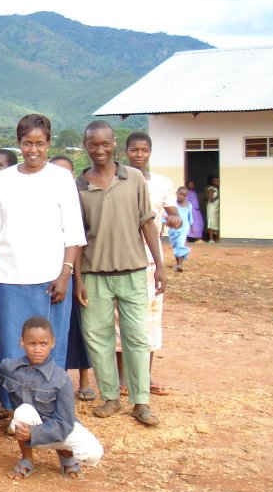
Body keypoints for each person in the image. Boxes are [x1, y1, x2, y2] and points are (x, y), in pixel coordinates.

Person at [0, 114, 85, 411]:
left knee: (46, 346)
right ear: (19, 143)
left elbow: (73, 232)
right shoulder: (6, 178)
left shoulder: (61, 178)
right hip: (8, 278)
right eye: (28, 143)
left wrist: (65, 273)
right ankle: (13, 408)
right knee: (11, 346)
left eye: (40, 143)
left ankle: (47, 406)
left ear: (49, 144)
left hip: (49, 279)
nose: (33, 150)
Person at [75, 120, 165, 427]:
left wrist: (160, 265)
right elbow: (75, 238)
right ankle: (111, 397)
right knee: (98, 338)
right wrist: (77, 279)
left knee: (136, 337)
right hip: (94, 274)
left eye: (105, 144)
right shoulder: (79, 185)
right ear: (85, 145)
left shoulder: (134, 178)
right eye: (92, 144)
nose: (99, 150)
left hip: (133, 271)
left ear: (115, 143)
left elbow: (147, 222)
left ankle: (141, 402)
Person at [0, 317, 103, 480]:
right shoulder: (10, 368)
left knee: (94, 453)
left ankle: (66, 455)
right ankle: (27, 459)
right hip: (28, 427)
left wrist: (34, 432)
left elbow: (65, 423)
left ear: (53, 343)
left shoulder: (61, 378)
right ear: (22, 343)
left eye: (43, 344)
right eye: (32, 344)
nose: (38, 349)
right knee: (23, 411)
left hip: (57, 428)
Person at [122, 131, 181, 397]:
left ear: (150, 153)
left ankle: (145, 378)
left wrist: (175, 219)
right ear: (126, 152)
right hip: (120, 258)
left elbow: (173, 212)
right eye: (134, 150)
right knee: (119, 320)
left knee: (150, 318)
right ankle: (123, 380)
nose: (139, 155)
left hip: (149, 259)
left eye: (144, 150)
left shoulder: (161, 184)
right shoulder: (117, 179)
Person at [50, 156, 95, 401]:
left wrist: (76, 279)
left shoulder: (76, 200)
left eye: (65, 172)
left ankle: (85, 380)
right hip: (48, 275)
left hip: (70, 273)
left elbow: (76, 243)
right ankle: (60, 378)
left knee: (77, 329)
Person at [169, 187, 193, 272]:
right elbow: (166, 216)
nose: (181, 196)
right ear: (176, 193)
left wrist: (192, 227)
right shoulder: (172, 205)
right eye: (180, 194)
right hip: (173, 229)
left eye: (184, 195)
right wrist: (161, 229)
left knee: (180, 244)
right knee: (176, 247)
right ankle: (178, 264)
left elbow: (190, 217)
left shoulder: (189, 205)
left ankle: (180, 265)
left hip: (184, 228)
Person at [205, 175, 221, 242]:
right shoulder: (211, 189)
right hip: (212, 208)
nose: (216, 182)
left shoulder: (219, 188)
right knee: (211, 223)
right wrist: (218, 196)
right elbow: (211, 199)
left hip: (217, 208)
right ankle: (211, 238)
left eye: (217, 181)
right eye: (215, 181)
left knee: (217, 223)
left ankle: (217, 238)